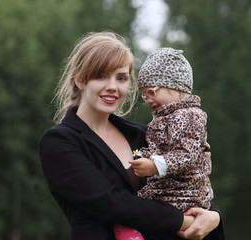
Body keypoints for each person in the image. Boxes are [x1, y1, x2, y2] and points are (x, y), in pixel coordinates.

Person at [38, 31, 225, 240]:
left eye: (121, 78)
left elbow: (186, 182)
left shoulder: (141, 135)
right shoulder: (60, 142)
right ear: (80, 80)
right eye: (101, 76)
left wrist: (213, 216)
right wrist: (183, 220)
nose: (112, 87)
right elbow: (109, 202)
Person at [130, 47, 214, 213]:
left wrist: (154, 166)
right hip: (164, 192)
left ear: (176, 86)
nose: (149, 100)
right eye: (145, 96)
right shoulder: (160, 120)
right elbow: (156, 150)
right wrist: (137, 155)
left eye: (152, 92)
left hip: (186, 195)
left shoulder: (191, 116)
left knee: (135, 213)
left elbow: (186, 155)